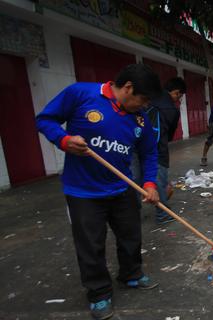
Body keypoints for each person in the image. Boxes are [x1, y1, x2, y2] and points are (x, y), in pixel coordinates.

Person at [35, 64, 163, 319]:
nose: (145, 105)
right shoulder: (81, 94)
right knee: (90, 245)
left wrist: (150, 184)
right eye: (143, 99)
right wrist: (63, 140)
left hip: (122, 187)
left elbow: (149, 152)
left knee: (130, 236)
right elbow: (44, 119)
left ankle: (131, 274)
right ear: (128, 88)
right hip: (83, 191)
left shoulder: (140, 118)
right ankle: (99, 293)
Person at [145, 77, 184, 224]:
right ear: (176, 92)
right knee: (160, 180)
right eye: (179, 96)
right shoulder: (171, 108)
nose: (178, 99)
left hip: (137, 146)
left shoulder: (150, 99)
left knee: (137, 178)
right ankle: (163, 215)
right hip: (157, 148)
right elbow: (170, 134)